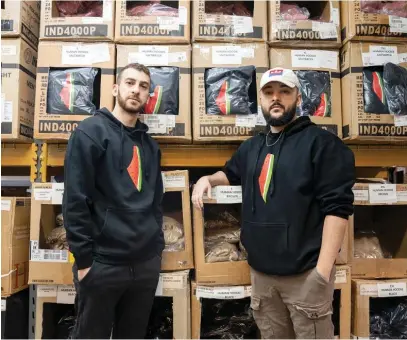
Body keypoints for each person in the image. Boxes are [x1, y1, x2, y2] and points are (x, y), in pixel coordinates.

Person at [192, 68, 355, 339]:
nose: (275, 98)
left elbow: (338, 209)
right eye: (269, 93)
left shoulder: (323, 145)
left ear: (298, 97)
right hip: (262, 278)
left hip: (305, 277)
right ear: (261, 101)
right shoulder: (251, 147)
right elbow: (230, 174)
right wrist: (206, 179)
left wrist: (322, 273)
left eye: (284, 91)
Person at [63, 63, 164, 339]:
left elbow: (156, 202)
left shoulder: (150, 146)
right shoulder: (90, 133)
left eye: (143, 86)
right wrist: (84, 262)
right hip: (102, 265)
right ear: (116, 88)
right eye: (130, 83)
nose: (136, 90)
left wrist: (156, 251)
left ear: (148, 95)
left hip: (143, 266)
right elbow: (75, 201)